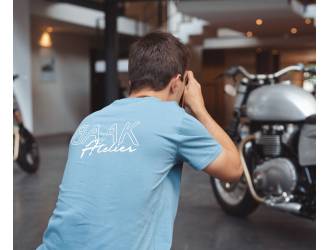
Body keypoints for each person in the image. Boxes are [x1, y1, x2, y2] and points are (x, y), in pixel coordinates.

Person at [36, 31, 242, 250]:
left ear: (132, 81)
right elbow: (234, 169)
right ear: (177, 84)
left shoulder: (89, 122)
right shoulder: (175, 120)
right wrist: (200, 109)